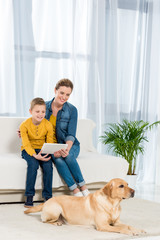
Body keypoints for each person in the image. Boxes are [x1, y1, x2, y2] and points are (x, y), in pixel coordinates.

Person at [45, 79, 90, 197]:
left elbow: (71, 134)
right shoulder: (44, 106)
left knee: (67, 156)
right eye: (61, 93)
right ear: (55, 90)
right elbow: (33, 121)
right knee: (58, 159)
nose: (64, 97)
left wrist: (66, 149)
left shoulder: (72, 110)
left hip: (70, 145)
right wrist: (22, 129)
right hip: (53, 147)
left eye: (67, 94)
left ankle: (84, 188)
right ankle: (75, 190)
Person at [20, 97, 54, 207]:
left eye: (43, 112)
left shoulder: (48, 124)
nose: (40, 114)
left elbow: (49, 142)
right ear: (31, 112)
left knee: (48, 166)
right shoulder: (24, 125)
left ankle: (48, 197)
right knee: (33, 165)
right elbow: (26, 144)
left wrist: (46, 153)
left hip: (43, 149)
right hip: (28, 150)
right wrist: (35, 155)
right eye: (37, 111)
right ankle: (29, 196)